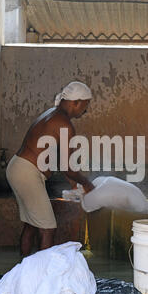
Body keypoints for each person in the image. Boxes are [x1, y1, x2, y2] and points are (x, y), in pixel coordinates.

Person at [6, 81, 94, 257]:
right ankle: (43, 277)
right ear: (75, 102)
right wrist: (86, 184)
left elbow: (61, 162)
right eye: (85, 106)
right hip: (27, 173)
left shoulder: (51, 114)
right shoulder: (64, 124)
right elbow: (67, 167)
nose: (85, 111)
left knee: (31, 224)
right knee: (48, 228)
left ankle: (23, 269)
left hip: (17, 167)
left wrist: (74, 185)